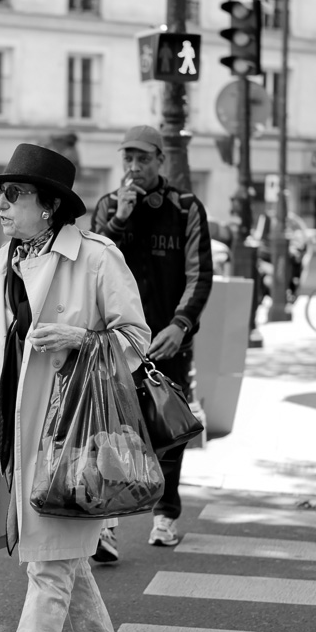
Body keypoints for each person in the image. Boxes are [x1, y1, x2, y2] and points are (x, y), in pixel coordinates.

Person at [0, 143, 151, 632]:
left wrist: (84, 338)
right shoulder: (2, 264)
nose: (0, 203)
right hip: (16, 438)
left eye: (14, 194)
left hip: (73, 441)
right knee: (59, 556)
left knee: (51, 569)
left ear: (50, 205)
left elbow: (137, 339)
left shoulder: (94, 259)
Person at [91, 125, 212, 559]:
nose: (134, 167)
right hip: (114, 344)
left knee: (168, 427)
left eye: (143, 159)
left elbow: (200, 275)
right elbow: (96, 265)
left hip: (167, 341)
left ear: (160, 161)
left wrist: (181, 324)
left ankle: (165, 515)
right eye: (128, 159)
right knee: (108, 432)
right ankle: (104, 526)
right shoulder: (108, 207)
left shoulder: (184, 208)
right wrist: (121, 220)